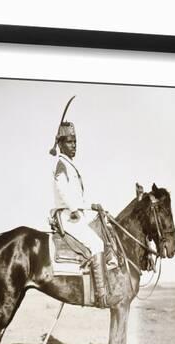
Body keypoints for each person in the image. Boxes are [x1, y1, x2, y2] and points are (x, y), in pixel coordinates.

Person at [51, 119, 122, 308]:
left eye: (75, 142)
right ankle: (101, 296)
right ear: (60, 144)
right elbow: (62, 189)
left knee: (104, 226)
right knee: (96, 244)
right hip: (68, 216)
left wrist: (92, 205)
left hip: (75, 213)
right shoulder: (61, 164)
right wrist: (75, 209)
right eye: (69, 142)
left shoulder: (69, 164)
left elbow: (77, 197)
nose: (73, 146)